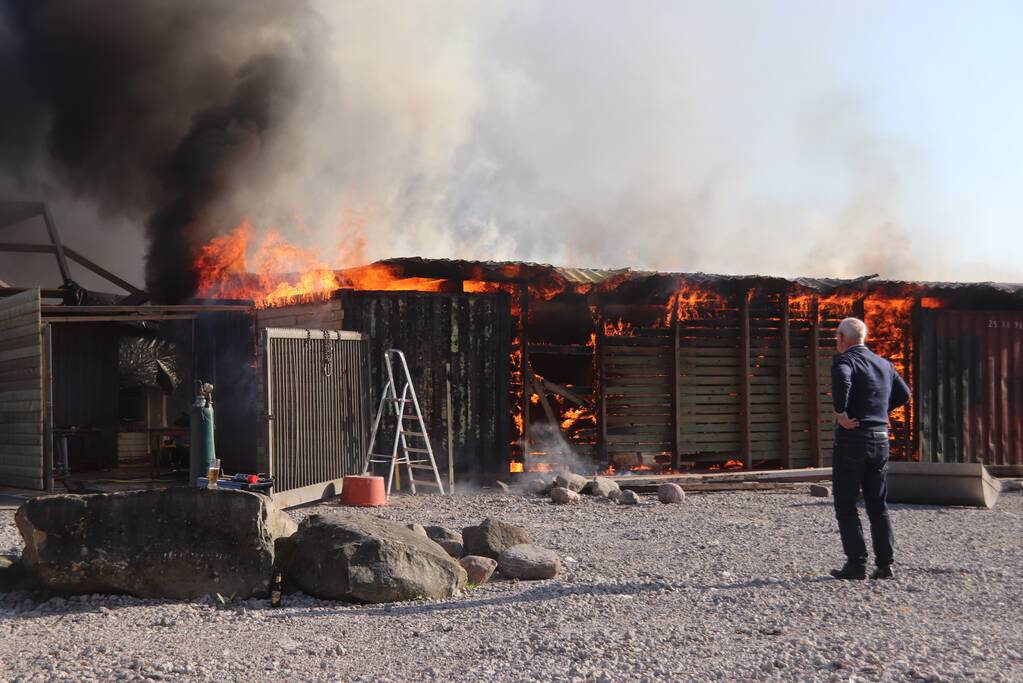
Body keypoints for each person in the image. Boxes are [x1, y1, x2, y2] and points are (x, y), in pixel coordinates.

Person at [829, 317, 911, 580]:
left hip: (853, 439)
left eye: (836, 337)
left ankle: (856, 564)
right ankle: (885, 564)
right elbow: (905, 394)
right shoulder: (884, 363)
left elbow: (842, 381)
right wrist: (880, 412)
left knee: (846, 502)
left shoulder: (844, 361)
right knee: (878, 503)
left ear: (842, 338)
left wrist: (841, 412)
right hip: (880, 439)